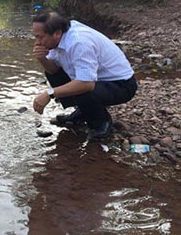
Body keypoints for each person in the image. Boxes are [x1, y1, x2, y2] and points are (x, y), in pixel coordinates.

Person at [31, 11, 137, 140]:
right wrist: (42, 59)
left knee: (83, 89)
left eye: (40, 37)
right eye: (35, 37)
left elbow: (86, 84)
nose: (37, 42)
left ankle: (101, 122)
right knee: (53, 74)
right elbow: (54, 70)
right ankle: (84, 111)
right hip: (99, 80)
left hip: (122, 85)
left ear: (57, 33)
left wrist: (49, 93)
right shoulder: (58, 39)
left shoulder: (79, 42)